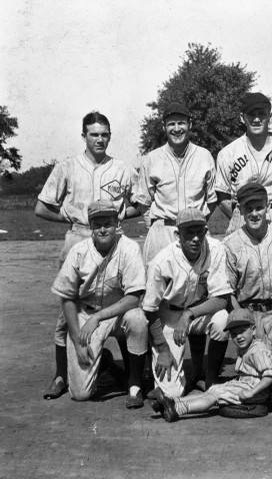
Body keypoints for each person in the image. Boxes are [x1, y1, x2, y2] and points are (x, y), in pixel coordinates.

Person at [36, 111, 138, 400]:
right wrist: (69, 217)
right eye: (94, 134)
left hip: (111, 237)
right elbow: (42, 207)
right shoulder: (68, 166)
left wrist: (119, 216)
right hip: (79, 236)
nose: (100, 139)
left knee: (118, 301)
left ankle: (130, 371)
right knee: (67, 312)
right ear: (84, 136)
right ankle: (60, 375)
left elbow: (141, 203)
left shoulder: (121, 167)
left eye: (105, 134)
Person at [50, 199, 147, 408]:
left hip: (118, 312)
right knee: (80, 393)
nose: (103, 229)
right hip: (85, 313)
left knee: (137, 318)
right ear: (91, 226)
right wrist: (77, 341)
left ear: (117, 224)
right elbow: (66, 297)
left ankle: (135, 385)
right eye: (97, 224)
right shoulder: (78, 251)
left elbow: (134, 297)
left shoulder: (129, 248)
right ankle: (105, 363)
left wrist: (98, 318)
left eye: (108, 223)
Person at [142, 207, 232, 399]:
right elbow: (150, 310)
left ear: (206, 231)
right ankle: (161, 376)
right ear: (177, 234)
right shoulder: (161, 261)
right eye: (189, 233)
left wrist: (189, 314)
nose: (195, 238)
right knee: (172, 393)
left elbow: (222, 298)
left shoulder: (216, 249)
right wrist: (162, 348)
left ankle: (210, 377)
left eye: (199, 231)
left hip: (197, 312)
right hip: (168, 316)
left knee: (222, 320)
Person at [151, 309, 272, 422]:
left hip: (256, 392)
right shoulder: (246, 348)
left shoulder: (259, 350)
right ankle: (172, 402)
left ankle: (179, 409)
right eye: (234, 334)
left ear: (254, 330)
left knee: (215, 396)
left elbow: (270, 375)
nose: (239, 337)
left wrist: (251, 393)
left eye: (242, 332)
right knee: (213, 389)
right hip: (246, 384)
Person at [133, 102, 217, 264]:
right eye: (171, 124)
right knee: (158, 285)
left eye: (181, 123)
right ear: (164, 127)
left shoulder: (204, 156)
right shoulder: (152, 159)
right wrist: (156, 226)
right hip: (163, 231)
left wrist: (196, 220)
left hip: (195, 233)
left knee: (199, 284)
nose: (177, 129)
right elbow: (144, 202)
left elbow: (212, 200)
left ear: (190, 125)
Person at [223, 183, 272, 345]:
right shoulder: (231, 244)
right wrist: (243, 318)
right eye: (249, 209)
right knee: (259, 361)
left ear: (267, 206)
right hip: (250, 313)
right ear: (240, 210)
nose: (254, 214)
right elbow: (227, 290)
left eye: (259, 208)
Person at [215, 92, 272, 234]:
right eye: (251, 115)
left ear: (270, 117)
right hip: (243, 216)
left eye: (261, 114)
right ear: (242, 118)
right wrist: (240, 214)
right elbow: (222, 197)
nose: (256, 119)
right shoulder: (228, 153)